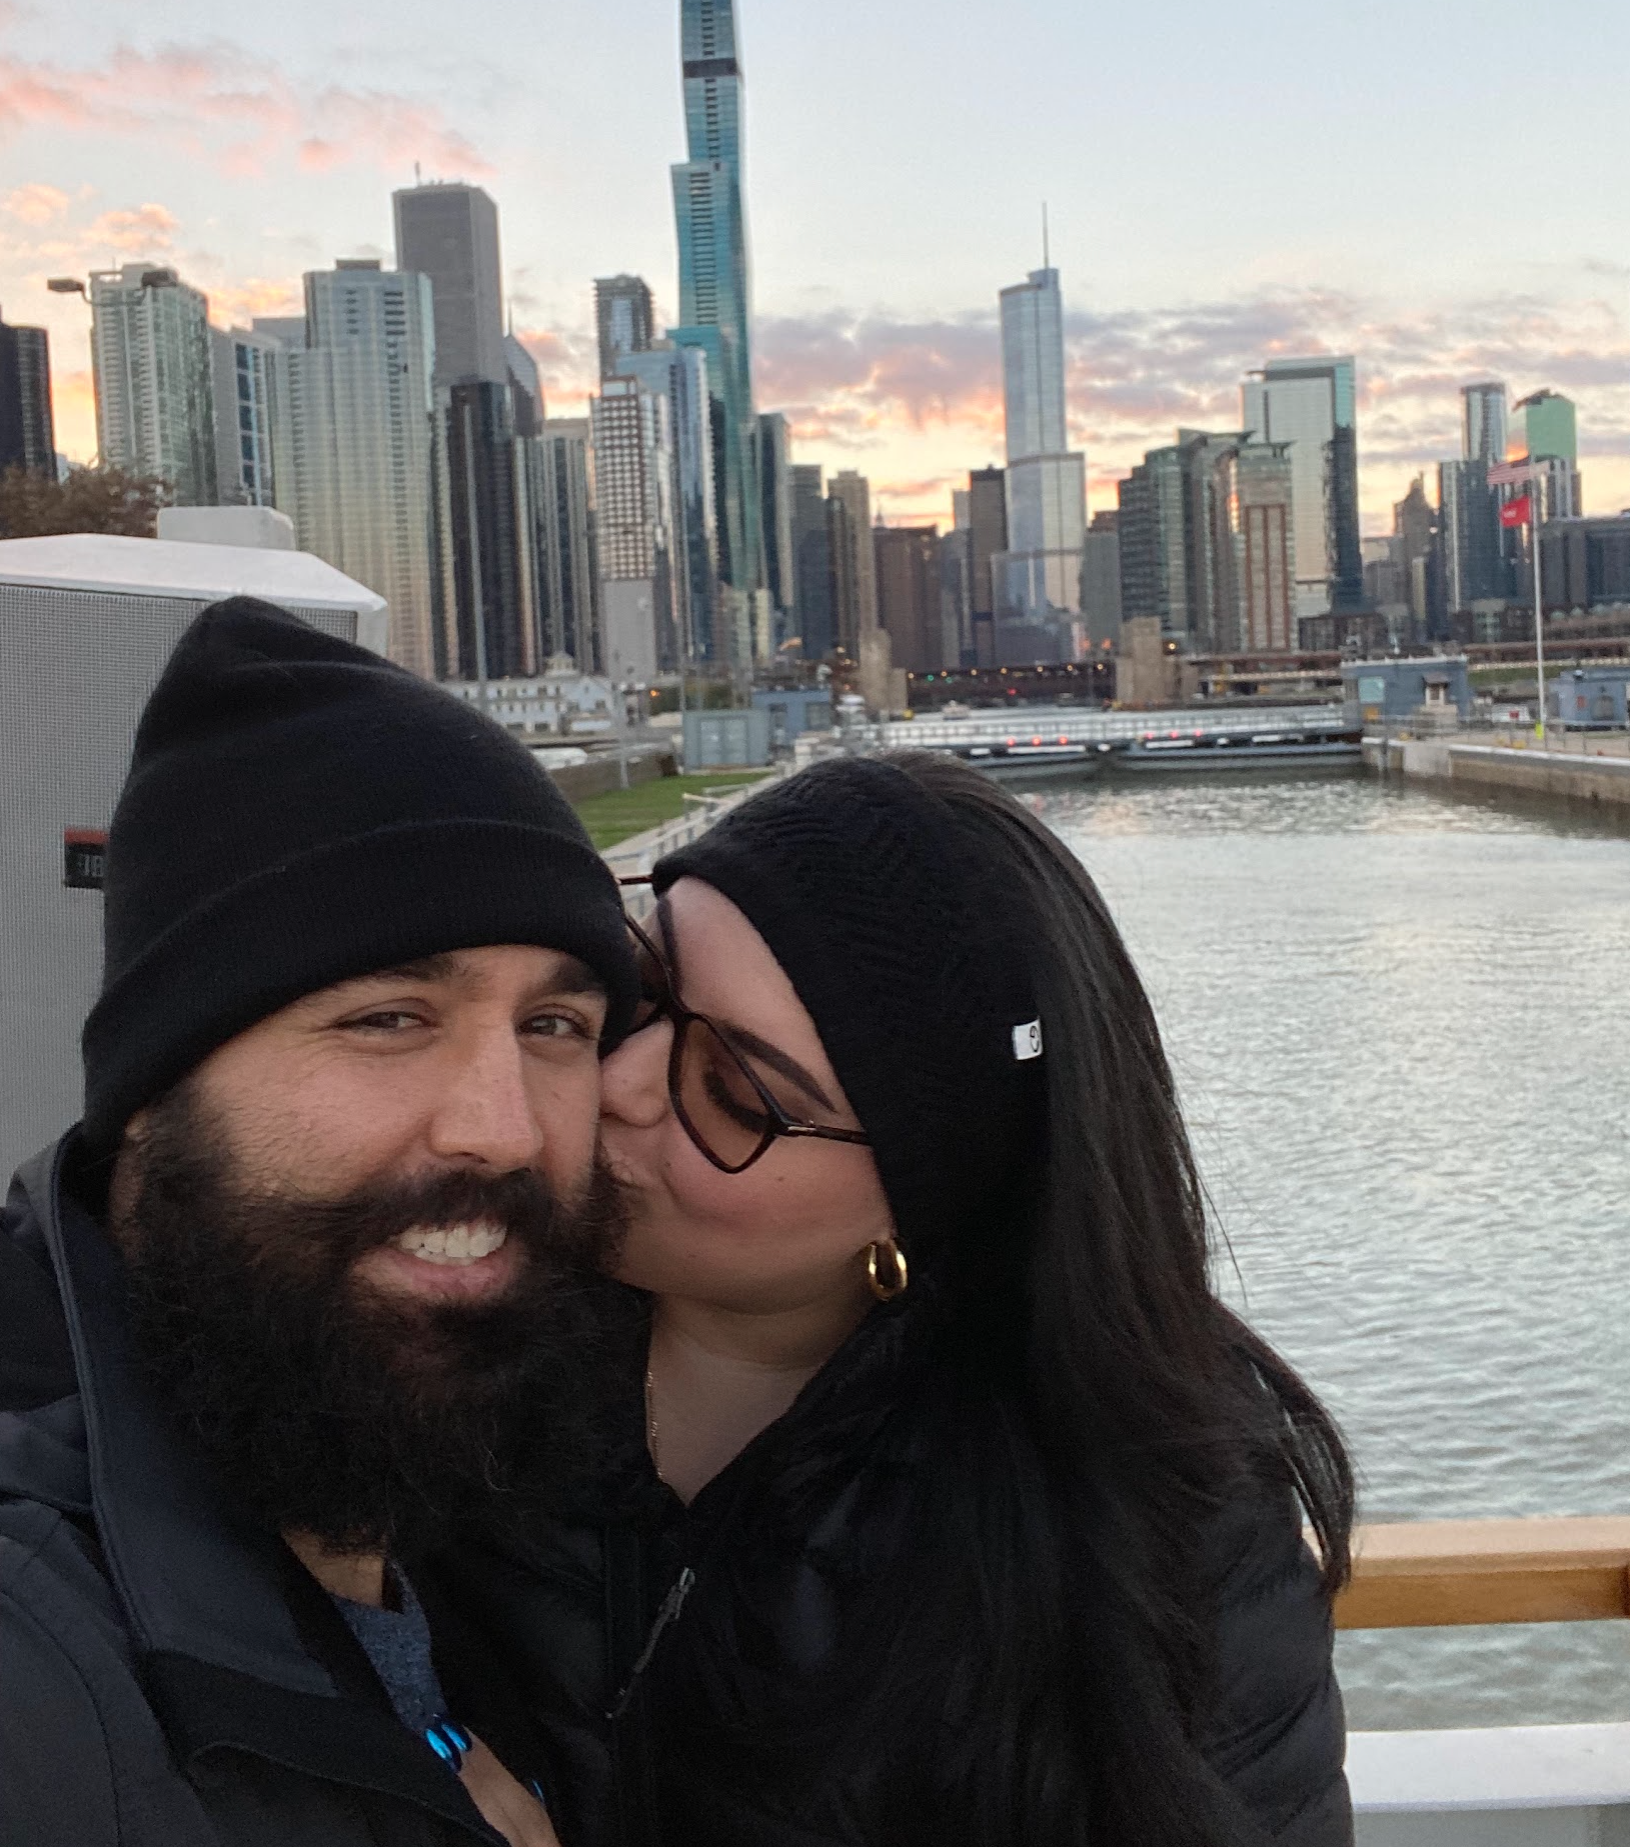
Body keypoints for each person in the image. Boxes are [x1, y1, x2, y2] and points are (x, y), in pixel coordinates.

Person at [457, 751, 1354, 1847]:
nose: (621, 1080)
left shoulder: (1156, 1520)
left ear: (918, 1209)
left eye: (737, 1095)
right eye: (638, 988)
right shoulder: (421, 1342)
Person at [0, 597, 640, 1847]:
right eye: (390, 1018)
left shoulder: (387, 1450)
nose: (504, 1130)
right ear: (151, 1097)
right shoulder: (36, 1664)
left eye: (552, 1027)